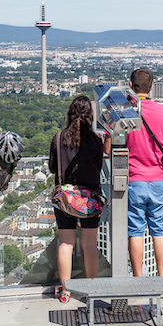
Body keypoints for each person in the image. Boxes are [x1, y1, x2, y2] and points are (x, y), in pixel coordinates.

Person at [49, 95, 104, 303]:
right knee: (90, 245)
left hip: (65, 198)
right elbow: (98, 168)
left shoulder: (58, 138)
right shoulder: (95, 141)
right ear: (90, 116)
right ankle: (91, 289)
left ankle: (66, 290)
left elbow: (53, 167)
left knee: (66, 243)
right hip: (89, 197)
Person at [125, 68, 163, 277]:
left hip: (134, 179)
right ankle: (162, 279)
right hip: (158, 179)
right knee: (159, 232)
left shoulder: (125, 111)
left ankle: (138, 278)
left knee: (135, 232)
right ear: (152, 87)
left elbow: (111, 144)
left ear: (130, 86)